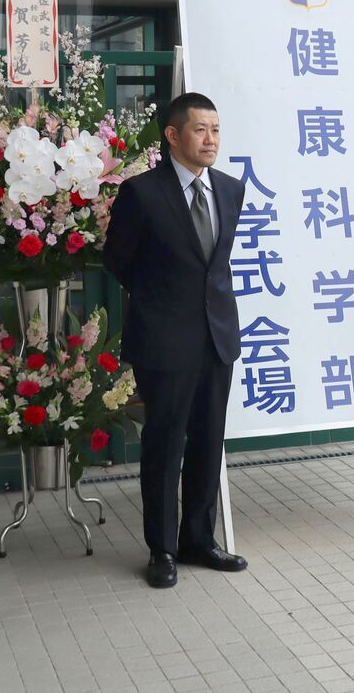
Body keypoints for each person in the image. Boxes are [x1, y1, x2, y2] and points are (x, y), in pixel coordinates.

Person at [103, 92, 247, 588]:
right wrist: (160, 302)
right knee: (165, 447)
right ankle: (162, 549)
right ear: (172, 135)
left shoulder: (230, 190)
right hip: (164, 341)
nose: (210, 140)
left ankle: (198, 540)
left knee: (209, 441)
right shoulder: (141, 193)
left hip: (218, 338)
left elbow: (216, 266)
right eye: (200, 129)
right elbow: (119, 261)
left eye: (216, 129)